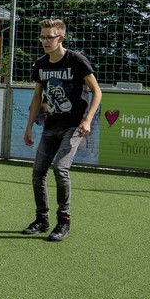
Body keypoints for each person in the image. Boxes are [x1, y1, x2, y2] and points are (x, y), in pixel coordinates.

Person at [22, 18, 102, 242]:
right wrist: (29, 126)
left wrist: (87, 120)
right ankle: (42, 219)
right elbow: (38, 96)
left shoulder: (76, 60)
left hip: (74, 126)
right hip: (51, 125)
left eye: (50, 37)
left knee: (60, 168)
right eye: (43, 37)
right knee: (38, 171)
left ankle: (63, 221)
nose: (45, 41)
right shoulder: (41, 64)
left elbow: (97, 92)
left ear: (61, 38)